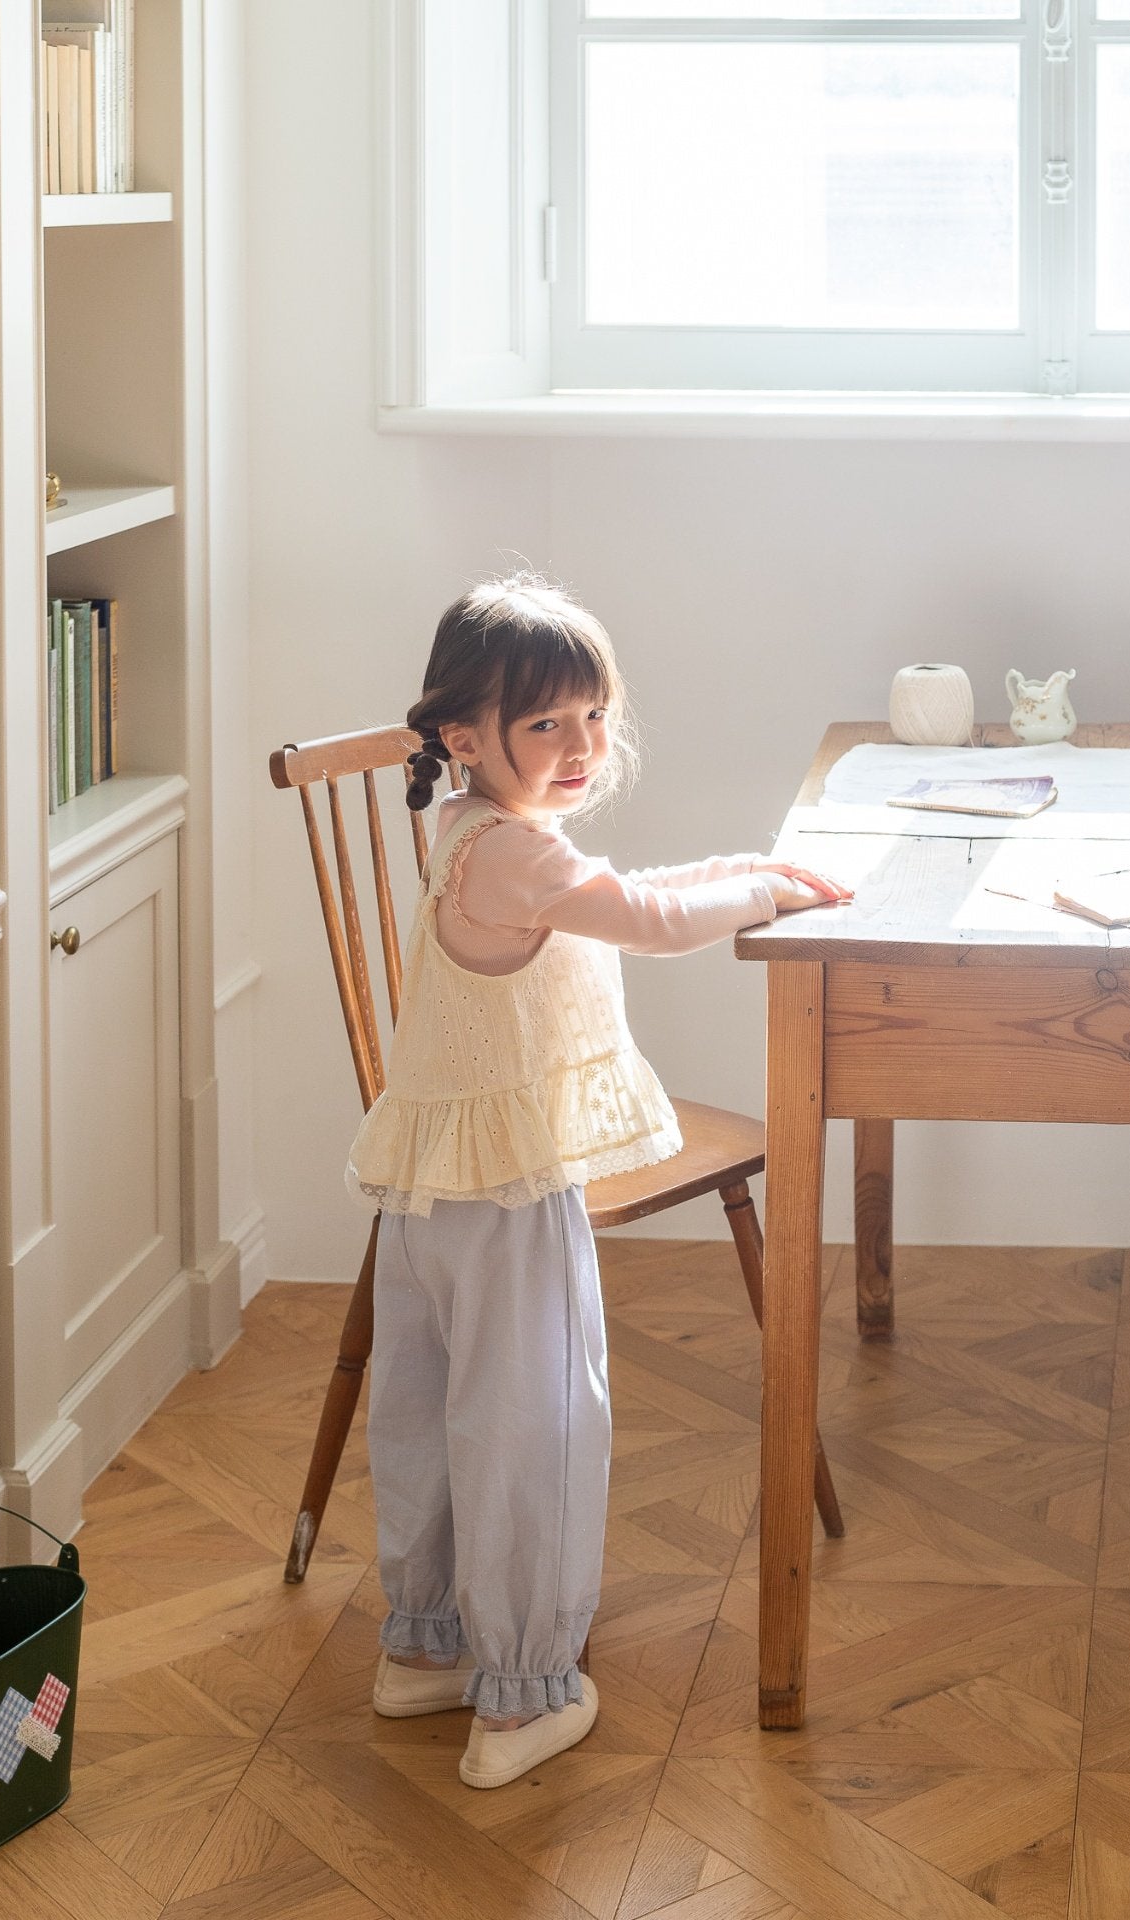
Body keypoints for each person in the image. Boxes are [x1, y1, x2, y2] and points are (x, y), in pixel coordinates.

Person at [346, 574, 850, 1790]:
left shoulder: (466, 827)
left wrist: (740, 862)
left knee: (428, 1413)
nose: (580, 749)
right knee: (534, 1427)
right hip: (511, 1192)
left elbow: (613, 889)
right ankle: (520, 1695)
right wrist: (765, 893)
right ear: (464, 737)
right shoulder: (518, 855)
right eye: (544, 727)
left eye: (592, 718)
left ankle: (424, 1645)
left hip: (427, 1194)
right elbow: (648, 920)